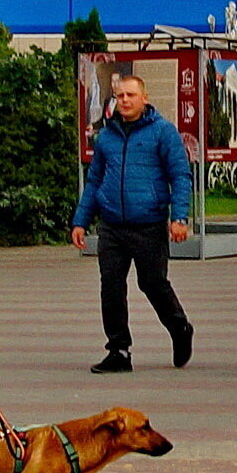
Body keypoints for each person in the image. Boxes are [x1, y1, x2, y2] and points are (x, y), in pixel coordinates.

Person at [71, 74, 194, 374]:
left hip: (148, 222)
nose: (124, 101)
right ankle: (119, 350)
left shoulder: (162, 132)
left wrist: (179, 217)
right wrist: (80, 221)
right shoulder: (107, 136)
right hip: (112, 224)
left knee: (152, 283)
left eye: (130, 95)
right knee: (111, 285)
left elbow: (180, 175)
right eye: (120, 96)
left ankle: (180, 329)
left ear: (144, 98)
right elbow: (95, 179)